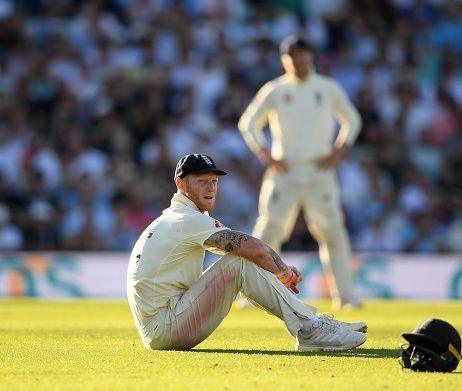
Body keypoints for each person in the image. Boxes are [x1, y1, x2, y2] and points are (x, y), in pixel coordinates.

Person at [127, 153, 367, 351]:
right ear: (181, 184)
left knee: (241, 260)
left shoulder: (174, 218)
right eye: (202, 181)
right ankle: (310, 328)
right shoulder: (185, 219)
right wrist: (283, 272)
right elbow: (255, 249)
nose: (211, 188)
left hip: (162, 326)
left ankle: (311, 323)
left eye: (214, 181)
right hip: (166, 327)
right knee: (239, 261)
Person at [238, 34, 362, 309]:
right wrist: (266, 155)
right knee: (269, 230)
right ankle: (253, 294)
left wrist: (339, 152)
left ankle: (346, 297)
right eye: (291, 55)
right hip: (286, 171)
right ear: (284, 59)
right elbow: (248, 124)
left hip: (319, 171)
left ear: (311, 55)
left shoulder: (327, 88)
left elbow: (352, 121)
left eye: (302, 53)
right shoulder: (276, 89)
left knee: (333, 232)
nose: (297, 59)